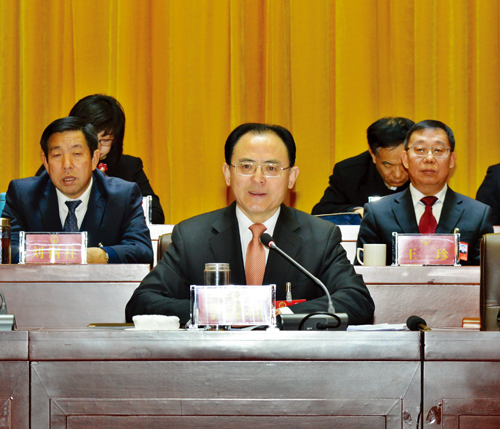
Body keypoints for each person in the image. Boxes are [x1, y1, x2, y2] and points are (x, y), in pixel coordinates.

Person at [126, 123, 374, 325]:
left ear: (291, 177)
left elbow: (357, 300)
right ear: (227, 173)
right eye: (246, 166)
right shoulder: (192, 236)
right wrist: (223, 312)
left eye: (271, 168)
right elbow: (142, 302)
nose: (258, 178)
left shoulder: (320, 236)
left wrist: (278, 314)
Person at [3, 117, 154, 264]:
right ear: (46, 163)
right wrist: (58, 255)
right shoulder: (23, 194)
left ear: (94, 159)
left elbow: (142, 250)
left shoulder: (122, 195)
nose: (67, 165)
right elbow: (6, 249)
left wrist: (100, 255)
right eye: (57, 155)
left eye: (76, 154)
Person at [357, 119, 493, 266]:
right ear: (405, 159)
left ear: (452, 160)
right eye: (420, 150)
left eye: (438, 150)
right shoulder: (378, 213)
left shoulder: (477, 215)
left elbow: (487, 274)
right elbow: (363, 273)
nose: (429, 158)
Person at [36, 94, 165, 224]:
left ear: (115, 140)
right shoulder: (58, 165)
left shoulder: (129, 167)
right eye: (89, 139)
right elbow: (34, 210)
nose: (95, 147)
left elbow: (155, 215)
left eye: (104, 141)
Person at [311, 117, 414, 216]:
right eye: (388, 165)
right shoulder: (349, 172)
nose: (397, 175)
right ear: (373, 155)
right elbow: (321, 211)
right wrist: (355, 211)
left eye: (405, 164)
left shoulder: (423, 171)